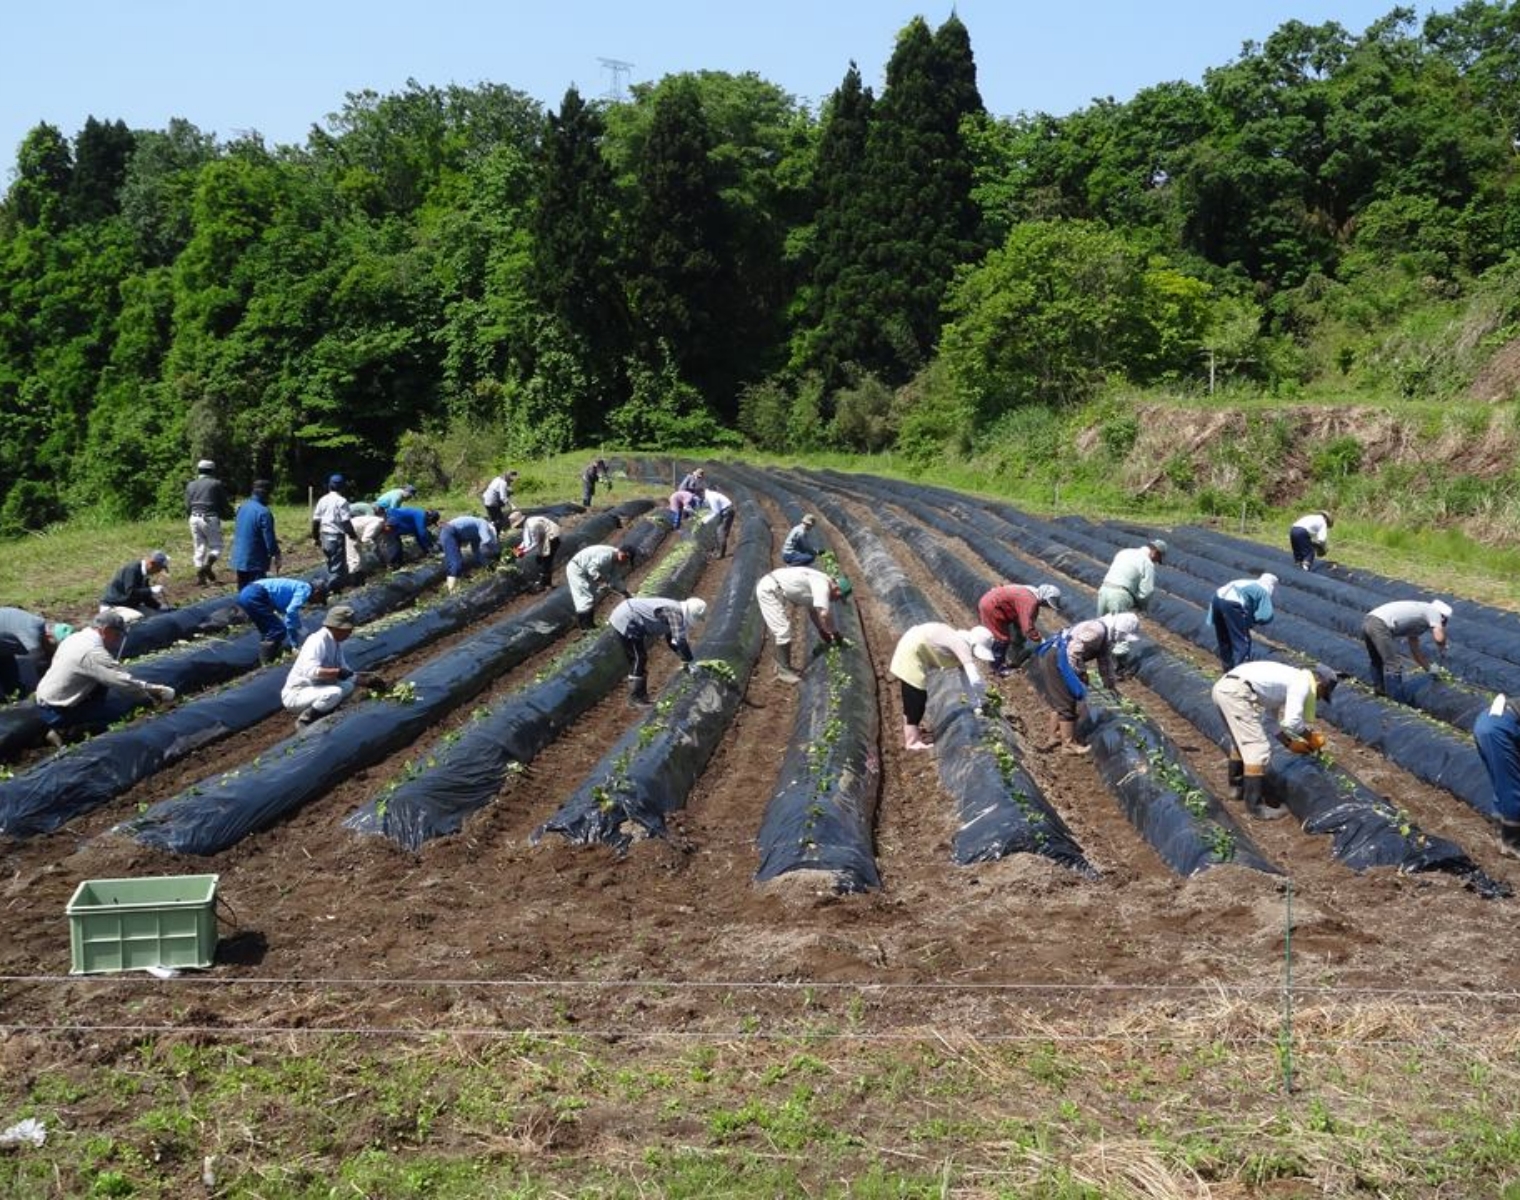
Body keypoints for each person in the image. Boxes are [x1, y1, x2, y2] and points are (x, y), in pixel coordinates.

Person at [1212, 660, 1339, 820]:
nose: (1319, 699)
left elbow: (1269, 720)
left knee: (1241, 742)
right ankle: (1255, 807)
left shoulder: (1287, 680)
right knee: (1258, 748)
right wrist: (1310, 737)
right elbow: (1292, 721)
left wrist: (1289, 742)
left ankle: (1237, 788)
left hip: (1224, 689)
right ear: (1320, 684)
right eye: (1322, 695)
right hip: (1236, 694)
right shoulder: (1302, 683)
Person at [33, 613, 175, 745]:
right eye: (117, 635)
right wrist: (151, 695)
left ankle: (67, 725)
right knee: (116, 715)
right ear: (106, 631)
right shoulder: (92, 652)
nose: (118, 641)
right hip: (57, 709)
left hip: (44, 699)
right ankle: (67, 732)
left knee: (102, 686)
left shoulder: (75, 638)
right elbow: (121, 681)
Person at [1032, 612, 1141, 755]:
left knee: (1060, 700)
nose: (1121, 639)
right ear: (1118, 629)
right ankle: (1068, 745)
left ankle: (1055, 736)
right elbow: (1073, 651)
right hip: (1057, 658)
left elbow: (1104, 662)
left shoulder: (1105, 635)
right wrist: (1079, 673)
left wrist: (1110, 685)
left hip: (1058, 657)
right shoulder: (1096, 631)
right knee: (1067, 700)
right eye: (1123, 635)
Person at [889, 623, 996, 751]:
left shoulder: (959, 641)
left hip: (912, 647)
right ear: (974, 645)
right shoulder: (960, 644)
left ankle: (914, 733)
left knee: (915, 698)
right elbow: (975, 679)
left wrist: (975, 704)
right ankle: (912, 742)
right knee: (916, 700)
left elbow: (966, 679)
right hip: (910, 654)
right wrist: (982, 700)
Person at [281, 604, 381, 730]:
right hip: (298, 693)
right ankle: (306, 720)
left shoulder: (335, 643)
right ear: (336, 627)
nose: (350, 633)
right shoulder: (317, 641)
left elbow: (347, 673)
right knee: (334, 693)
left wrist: (368, 682)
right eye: (347, 629)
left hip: (316, 688)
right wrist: (336, 672)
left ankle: (327, 713)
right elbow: (310, 671)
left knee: (348, 686)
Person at [754, 566, 850, 684]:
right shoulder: (823, 586)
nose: (835, 600)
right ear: (837, 589)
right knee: (782, 630)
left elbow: (813, 611)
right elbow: (824, 614)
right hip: (769, 590)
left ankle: (782, 665)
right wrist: (835, 633)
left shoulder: (821, 582)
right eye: (839, 597)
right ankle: (783, 671)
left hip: (775, 588)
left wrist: (821, 630)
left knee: (781, 629)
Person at [608, 595, 708, 707]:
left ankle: (641, 696)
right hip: (627, 617)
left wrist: (684, 660)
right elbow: (680, 641)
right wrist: (690, 660)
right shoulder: (675, 613)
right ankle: (635, 697)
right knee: (638, 657)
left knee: (639, 658)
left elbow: (671, 641)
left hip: (629, 614)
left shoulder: (675, 612)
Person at [1362, 598, 1452, 697]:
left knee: (1377, 660)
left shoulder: (1419, 618)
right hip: (1379, 624)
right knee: (1393, 664)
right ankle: (1396, 700)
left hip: (1368, 620)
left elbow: (1415, 651)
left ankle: (1380, 693)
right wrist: (1443, 647)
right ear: (1443, 617)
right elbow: (1439, 638)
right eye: (1444, 622)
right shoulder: (1433, 611)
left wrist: (1430, 669)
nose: (1443, 624)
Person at [237, 577, 328, 665]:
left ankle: (266, 659)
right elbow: (291, 611)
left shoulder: (299, 588)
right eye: (319, 600)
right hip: (255, 594)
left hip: (248, 593)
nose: (316, 603)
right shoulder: (305, 590)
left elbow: (289, 620)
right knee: (276, 630)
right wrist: (299, 628)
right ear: (316, 592)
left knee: (268, 630)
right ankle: (266, 663)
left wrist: (294, 644)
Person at [976, 583, 1063, 675]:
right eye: (1047, 603)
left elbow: (1024, 619)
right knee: (1001, 639)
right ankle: (998, 668)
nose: (1047, 606)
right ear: (1044, 598)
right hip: (992, 607)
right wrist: (1039, 639)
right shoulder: (1029, 600)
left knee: (1014, 634)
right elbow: (1027, 627)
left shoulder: (1031, 592)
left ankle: (1013, 659)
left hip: (993, 603)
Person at [1473, 694, 1520, 859]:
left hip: (1494, 723)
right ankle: (1512, 843)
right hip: (1498, 729)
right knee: (1511, 787)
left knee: (1505, 783)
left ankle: (1502, 831)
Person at [1205, 573, 1278, 670]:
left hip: (1217, 599)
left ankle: (1227, 668)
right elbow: (1265, 616)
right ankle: (1239, 673)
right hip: (1232, 603)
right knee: (1242, 641)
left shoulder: (1248, 582)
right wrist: (1251, 622)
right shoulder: (1263, 590)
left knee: (1224, 638)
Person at [0, 608, 71, 699]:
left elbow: (47, 652)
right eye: (55, 647)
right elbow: (40, 664)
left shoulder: (40, 624)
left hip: (4, 644)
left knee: (9, 674)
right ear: (49, 637)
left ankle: (12, 693)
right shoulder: (32, 633)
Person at [566, 544, 637, 630]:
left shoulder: (615, 560)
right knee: (584, 598)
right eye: (625, 558)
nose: (625, 561)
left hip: (584, 570)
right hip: (576, 568)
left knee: (590, 596)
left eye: (627, 560)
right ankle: (586, 627)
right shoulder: (606, 556)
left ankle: (589, 625)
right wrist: (601, 582)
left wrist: (625, 592)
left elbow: (615, 578)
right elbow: (592, 568)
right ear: (621, 553)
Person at [185, 459, 232, 586]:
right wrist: (229, 514)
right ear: (212, 470)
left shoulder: (191, 484)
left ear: (199, 470)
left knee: (199, 547)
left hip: (194, 517)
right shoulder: (216, 484)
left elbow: (187, 505)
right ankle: (207, 565)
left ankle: (201, 578)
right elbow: (223, 503)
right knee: (217, 546)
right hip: (209, 517)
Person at [312, 475, 360, 591]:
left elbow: (316, 521)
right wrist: (353, 536)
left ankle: (333, 588)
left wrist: (316, 537)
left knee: (330, 564)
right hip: (336, 537)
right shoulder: (342, 501)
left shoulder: (323, 500)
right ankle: (328, 591)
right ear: (342, 487)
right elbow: (346, 522)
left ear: (329, 486)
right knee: (337, 568)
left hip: (324, 536)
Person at [1097, 539, 1166, 619]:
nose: (1155, 562)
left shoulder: (1124, 552)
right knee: (1116, 628)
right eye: (1157, 559)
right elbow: (1146, 592)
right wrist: (1141, 607)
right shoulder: (1147, 563)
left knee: (1101, 626)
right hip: (1119, 596)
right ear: (1155, 553)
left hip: (1104, 590)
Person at [232, 479, 281, 588]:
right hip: (256, 559)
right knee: (257, 591)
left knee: (243, 589)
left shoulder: (242, 508)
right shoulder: (264, 512)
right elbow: (269, 538)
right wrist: (276, 554)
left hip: (240, 557)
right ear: (266, 494)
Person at [100, 551, 172, 623]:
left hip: (129, 606)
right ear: (152, 563)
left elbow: (144, 597)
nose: (159, 571)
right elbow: (131, 592)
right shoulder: (132, 570)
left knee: (158, 618)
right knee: (140, 621)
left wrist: (159, 606)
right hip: (113, 607)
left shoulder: (145, 574)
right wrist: (150, 590)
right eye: (159, 568)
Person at [440, 514, 501, 592]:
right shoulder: (483, 524)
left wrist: (488, 565)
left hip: (453, 534)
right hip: (449, 531)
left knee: (456, 561)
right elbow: (487, 541)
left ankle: (452, 585)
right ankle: (451, 591)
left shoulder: (475, 534)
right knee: (455, 562)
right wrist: (497, 552)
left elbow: (477, 553)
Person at [509, 510, 562, 591]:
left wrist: (523, 552)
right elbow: (526, 541)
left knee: (545, 560)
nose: (517, 528)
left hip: (552, 537)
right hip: (544, 538)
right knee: (541, 560)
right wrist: (518, 548)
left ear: (520, 522)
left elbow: (534, 542)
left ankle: (544, 584)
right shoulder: (527, 525)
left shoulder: (533, 525)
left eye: (516, 526)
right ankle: (546, 583)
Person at [346, 511, 387, 577]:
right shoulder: (378, 523)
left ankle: (362, 573)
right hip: (350, 531)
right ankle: (354, 579)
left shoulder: (378, 521)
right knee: (353, 557)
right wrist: (373, 547)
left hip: (356, 531)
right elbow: (366, 539)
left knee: (359, 555)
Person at [703, 489, 736, 559]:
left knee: (720, 532)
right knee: (721, 531)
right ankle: (718, 550)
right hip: (726, 511)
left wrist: (706, 519)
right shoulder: (710, 495)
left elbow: (716, 512)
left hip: (727, 511)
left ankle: (721, 554)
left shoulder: (711, 497)